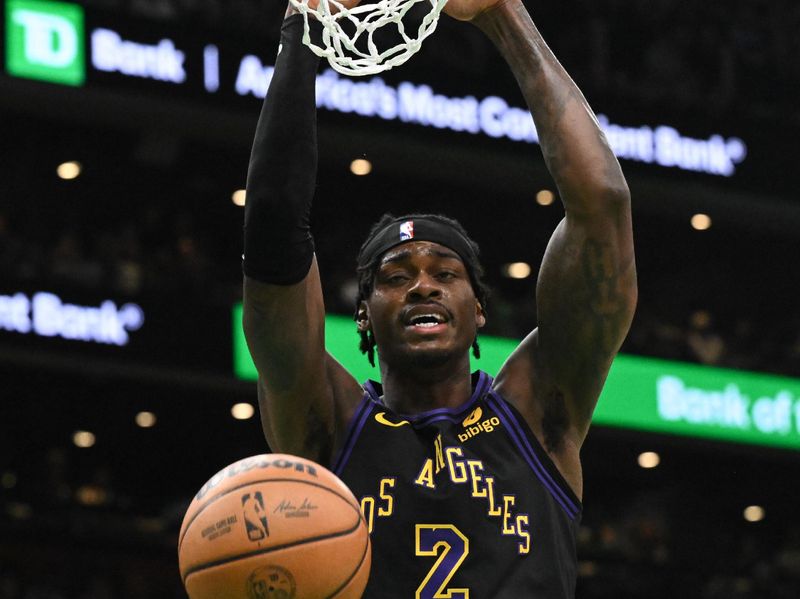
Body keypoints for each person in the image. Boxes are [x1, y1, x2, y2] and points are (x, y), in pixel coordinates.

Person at [242, 0, 637, 596]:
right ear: (364, 318)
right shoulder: (327, 422)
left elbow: (602, 204)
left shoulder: (538, 412)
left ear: (479, 310)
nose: (422, 283)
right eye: (395, 276)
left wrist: (504, 15)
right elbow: (273, 223)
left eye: (444, 272)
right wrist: (303, 25)